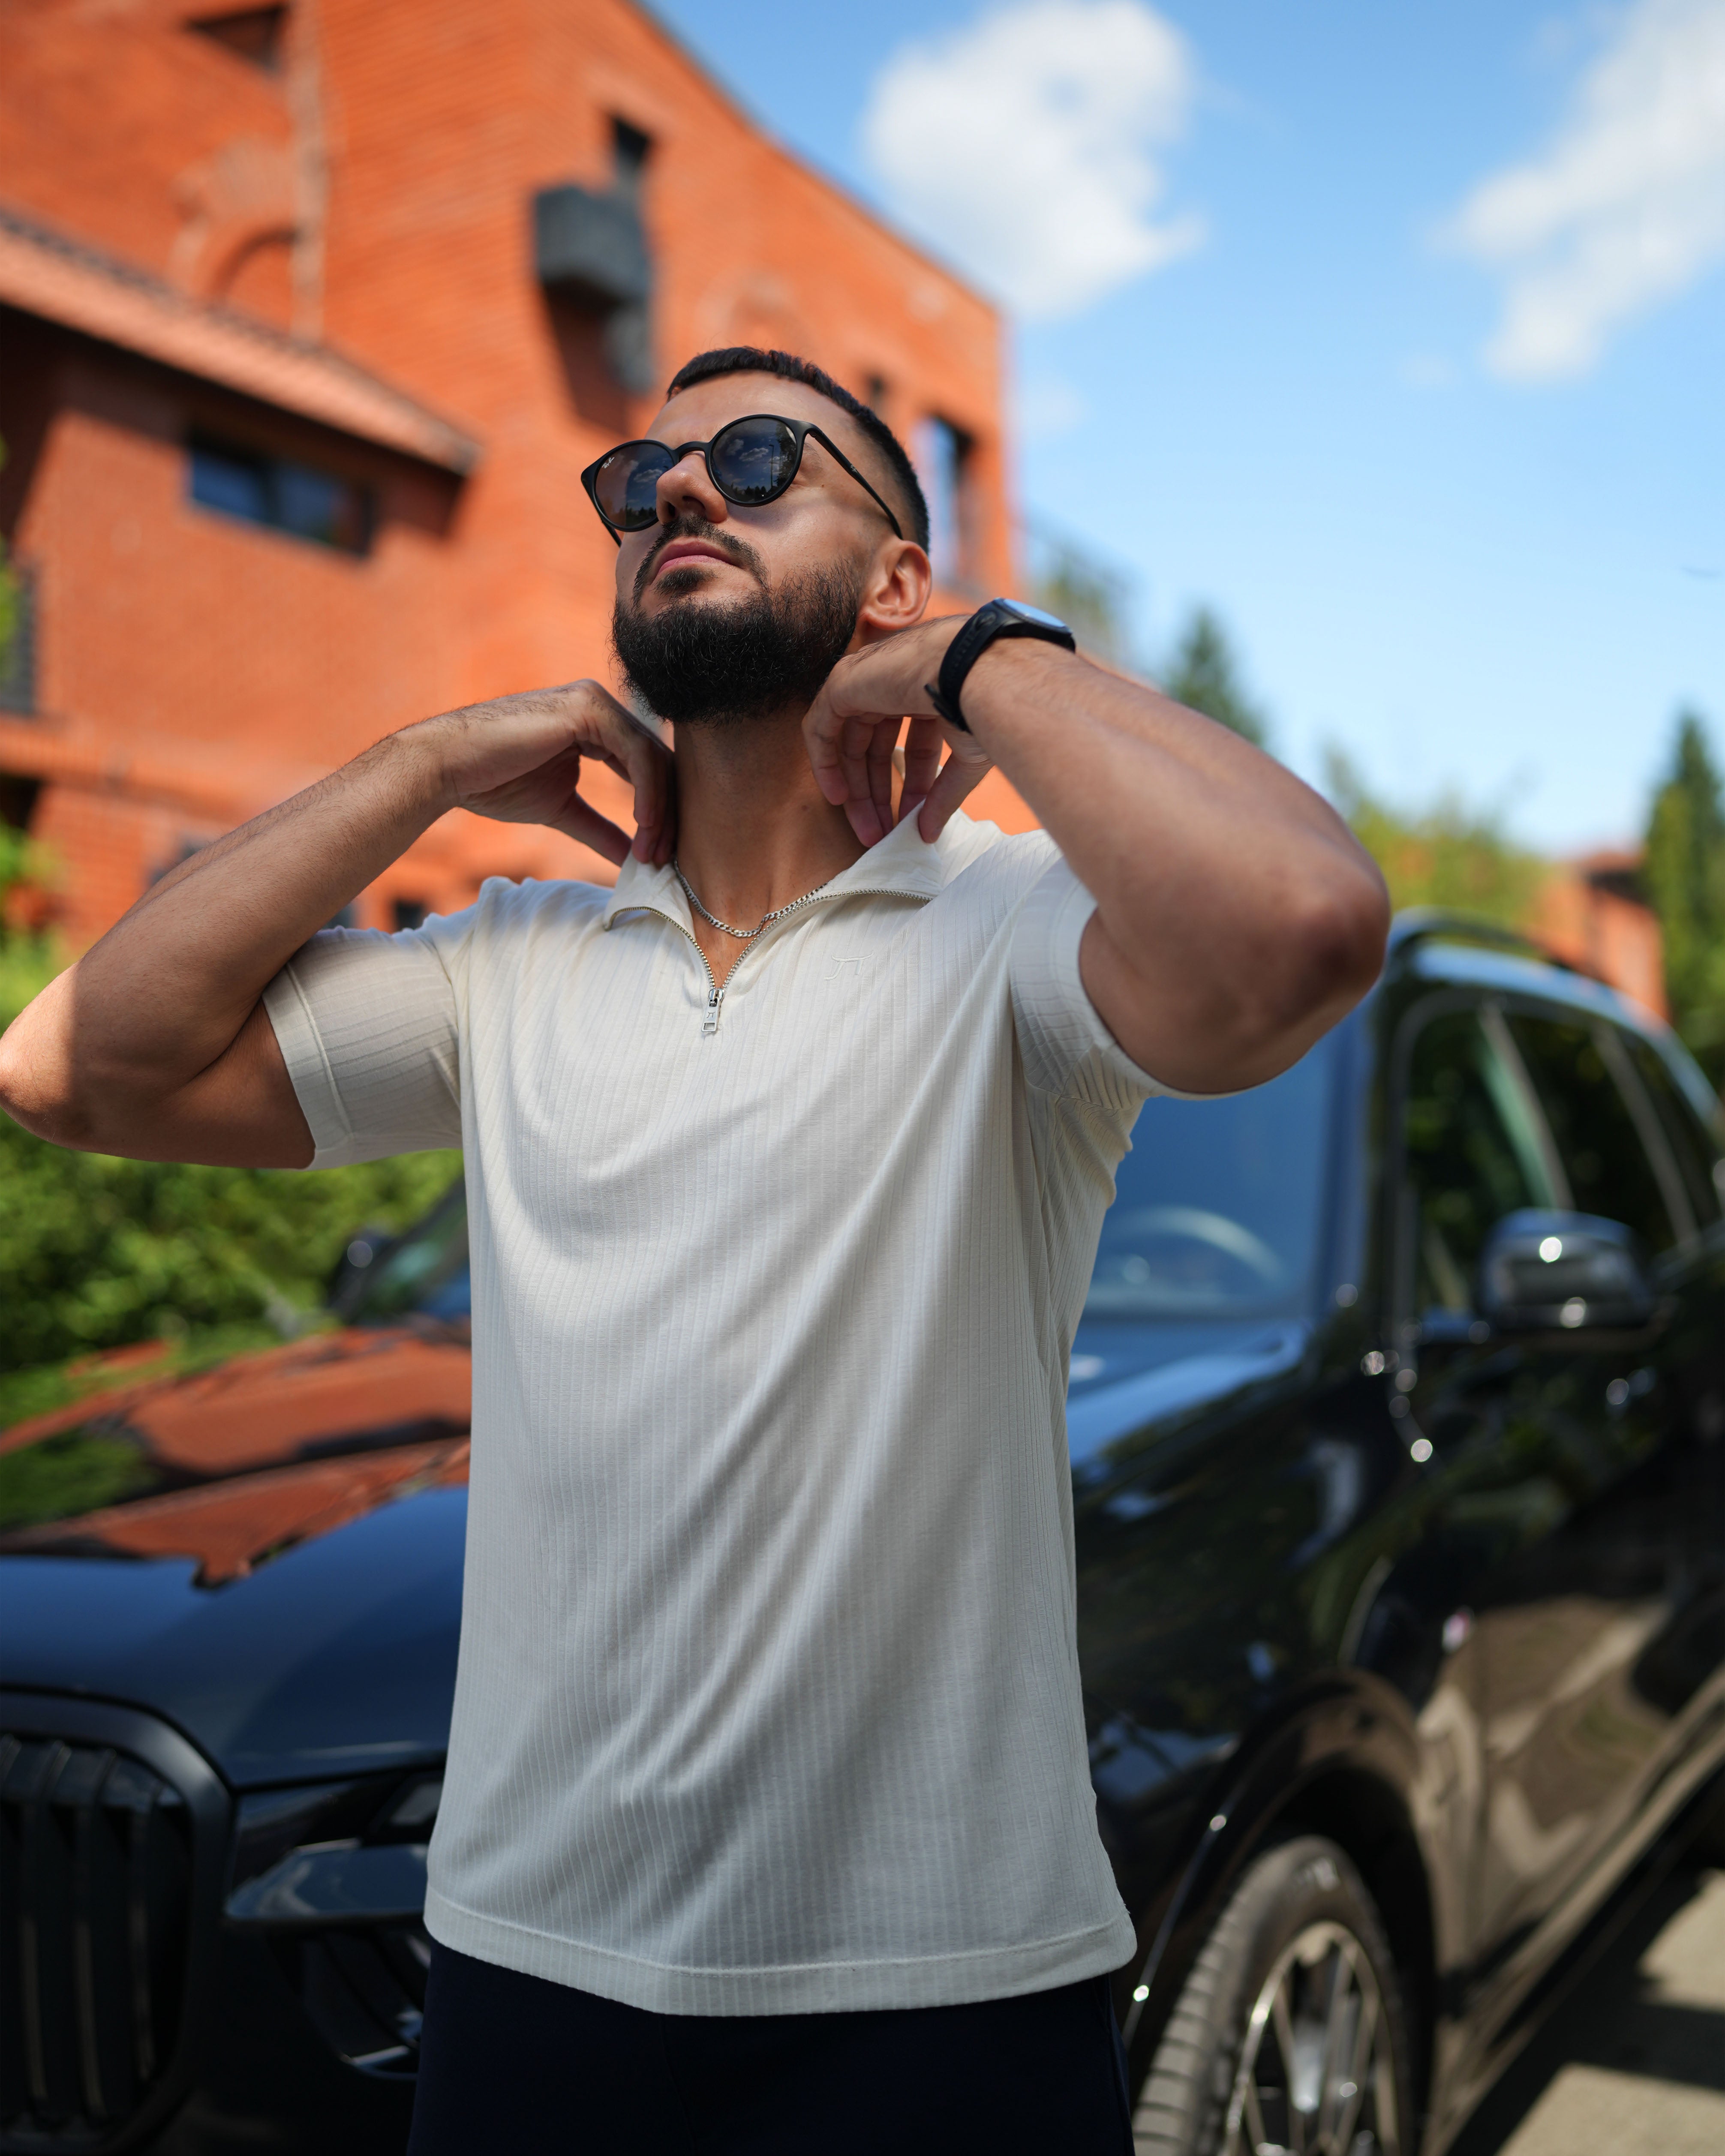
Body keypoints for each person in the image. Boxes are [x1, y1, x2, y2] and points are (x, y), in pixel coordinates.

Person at [0, 346, 1388, 2153]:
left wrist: (981, 653)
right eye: (640, 475)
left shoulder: (1019, 938)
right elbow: (67, 1062)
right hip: (523, 1984)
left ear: (894, 573)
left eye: (754, 459)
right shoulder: (514, 964)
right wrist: (427, 762)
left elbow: (1298, 922)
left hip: (946, 1991)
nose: (676, 491)